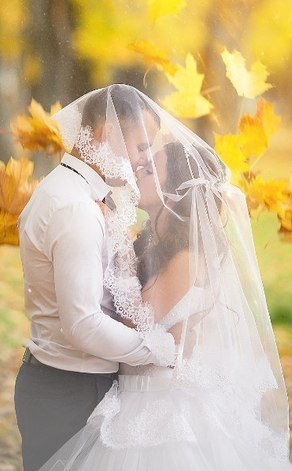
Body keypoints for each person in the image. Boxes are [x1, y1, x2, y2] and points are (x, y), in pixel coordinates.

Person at [32, 84, 292, 470]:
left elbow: (136, 322)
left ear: (172, 194)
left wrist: (120, 246)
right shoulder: (152, 243)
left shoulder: (187, 256)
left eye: (152, 167)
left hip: (162, 412)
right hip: (135, 394)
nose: (140, 167)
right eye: (143, 155)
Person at [14, 85, 178, 471]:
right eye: (141, 146)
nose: (144, 160)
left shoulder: (79, 195)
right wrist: (156, 349)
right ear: (107, 134)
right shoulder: (74, 209)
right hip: (69, 394)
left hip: (69, 387)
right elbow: (83, 323)